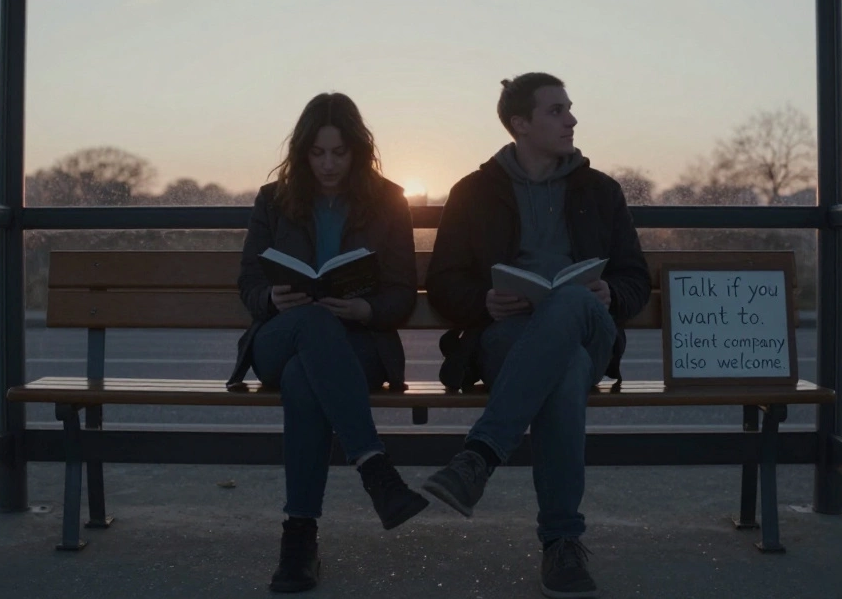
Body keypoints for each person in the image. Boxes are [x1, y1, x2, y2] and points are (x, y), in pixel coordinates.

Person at [422, 73, 652, 598]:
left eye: (569, 109)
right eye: (556, 111)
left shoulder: (600, 191)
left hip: (589, 330)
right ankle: (561, 544)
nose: (571, 119)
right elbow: (443, 283)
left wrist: (610, 296)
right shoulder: (474, 192)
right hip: (509, 336)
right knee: (564, 371)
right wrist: (483, 299)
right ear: (520, 124)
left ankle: (478, 457)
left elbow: (635, 278)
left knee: (570, 304)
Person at [232, 92, 429, 593]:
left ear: (357, 151)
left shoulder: (388, 200)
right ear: (302, 152)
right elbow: (249, 283)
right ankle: (375, 468)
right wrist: (272, 298)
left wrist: (367, 308)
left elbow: (403, 291)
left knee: (305, 378)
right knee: (311, 328)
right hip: (281, 336)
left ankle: (299, 539)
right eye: (317, 153)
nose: (327, 164)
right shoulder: (273, 200)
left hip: (356, 342)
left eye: (338, 153)